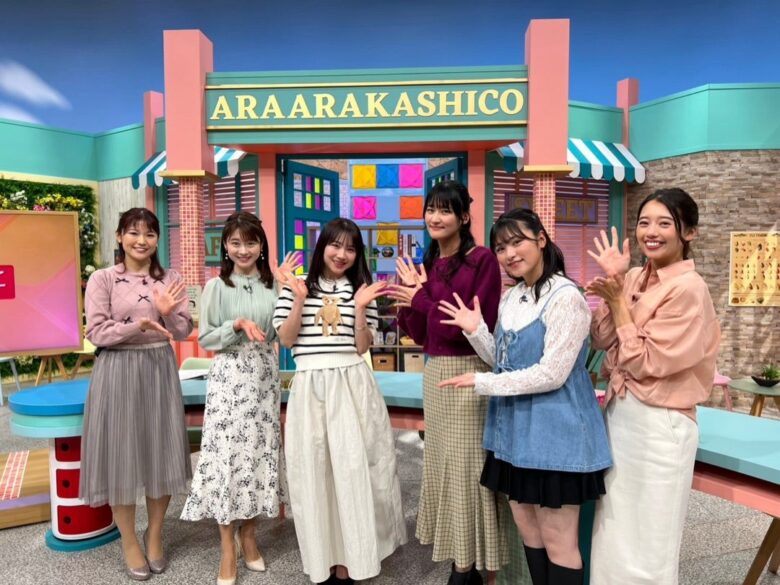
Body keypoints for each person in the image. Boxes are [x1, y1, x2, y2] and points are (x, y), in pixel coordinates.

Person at [438, 208, 612, 585]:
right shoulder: (512, 297)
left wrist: (483, 383)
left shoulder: (566, 297)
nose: (509, 254)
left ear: (541, 240)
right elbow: (504, 362)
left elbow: (551, 374)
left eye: (517, 242)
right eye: (501, 248)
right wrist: (476, 331)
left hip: (556, 433)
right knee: (530, 533)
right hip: (515, 433)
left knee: (558, 540)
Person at [586, 188, 721, 585]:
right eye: (644, 222)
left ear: (689, 232)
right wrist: (615, 283)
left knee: (651, 543)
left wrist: (620, 304)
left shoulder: (689, 289)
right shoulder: (632, 277)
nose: (651, 232)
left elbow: (647, 362)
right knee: (612, 532)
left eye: (665, 223)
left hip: (661, 424)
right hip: (620, 414)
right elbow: (600, 339)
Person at [272, 218, 407, 584]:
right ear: (323, 246)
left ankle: (353, 559)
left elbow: (362, 347)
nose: (342, 254)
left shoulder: (361, 289)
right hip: (310, 387)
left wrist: (360, 308)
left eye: (351, 248)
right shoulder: (296, 284)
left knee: (353, 470)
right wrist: (299, 299)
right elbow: (286, 339)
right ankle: (324, 558)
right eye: (336, 245)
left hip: (352, 385)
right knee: (315, 472)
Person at [387, 180, 506, 585]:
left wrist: (421, 298)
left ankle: (470, 564)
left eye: (445, 210)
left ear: (464, 217)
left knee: (468, 467)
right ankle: (460, 556)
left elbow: (467, 328)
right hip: (434, 371)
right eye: (430, 209)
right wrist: (406, 304)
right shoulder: (428, 262)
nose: (435, 218)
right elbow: (423, 333)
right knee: (442, 465)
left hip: (470, 370)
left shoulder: (481, 260)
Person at [180, 212, 300, 585]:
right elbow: (206, 338)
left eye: (250, 242)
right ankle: (226, 546)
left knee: (257, 457)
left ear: (261, 245)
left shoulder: (273, 285)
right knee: (226, 459)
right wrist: (235, 326)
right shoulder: (216, 286)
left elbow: (283, 334)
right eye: (235, 242)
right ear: (225, 247)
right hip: (229, 380)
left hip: (264, 380)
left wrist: (292, 292)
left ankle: (249, 534)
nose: (243, 250)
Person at [80, 207, 193, 581]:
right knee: (121, 456)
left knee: (161, 454)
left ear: (157, 240)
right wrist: (136, 326)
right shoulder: (103, 279)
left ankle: (154, 533)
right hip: (117, 370)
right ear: (119, 236)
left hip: (159, 368)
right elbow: (96, 332)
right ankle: (129, 540)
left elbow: (182, 331)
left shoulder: (171, 278)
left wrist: (167, 312)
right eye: (133, 232)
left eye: (149, 234)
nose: (141, 240)